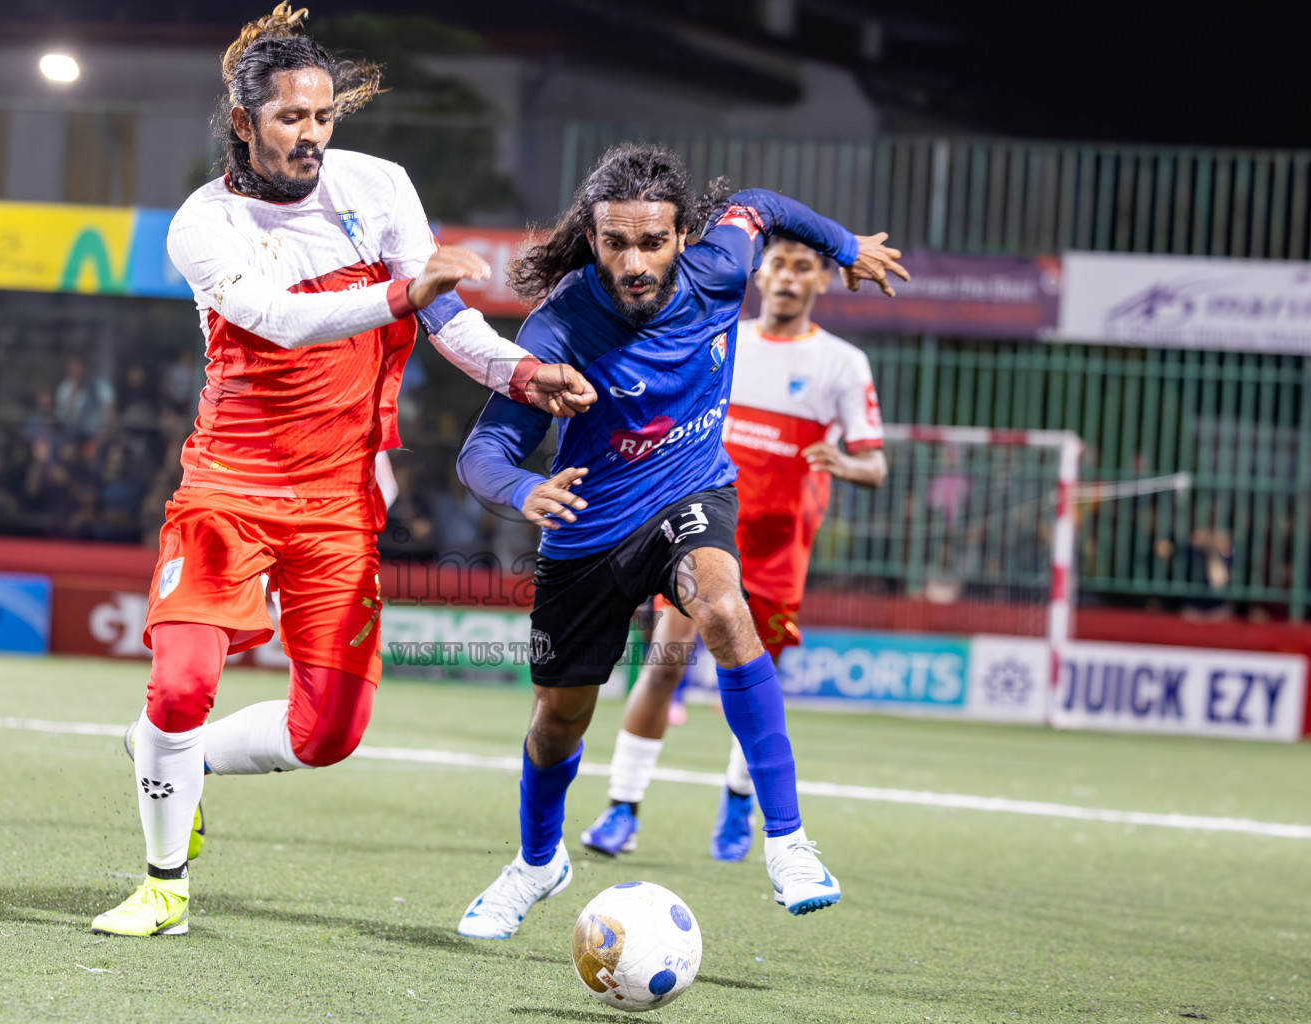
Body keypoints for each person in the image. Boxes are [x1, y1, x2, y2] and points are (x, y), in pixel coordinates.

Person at [90, 4, 595, 939]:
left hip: (339, 500)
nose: (312, 137)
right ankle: (163, 884)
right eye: (291, 118)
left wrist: (522, 373)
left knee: (327, 736)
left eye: (324, 118)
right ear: (244, 121)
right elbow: (281, 318)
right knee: (180, 685)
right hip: (229, 488)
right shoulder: (204, 223)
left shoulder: (380, 185)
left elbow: (447, 323)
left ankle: (170, 761)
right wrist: (406, 290)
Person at [453, 143, 906, 939]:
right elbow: (482, 453)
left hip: (691, 493)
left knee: (725, 610)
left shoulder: (719, 271)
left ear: (683, 236)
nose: (634, 261)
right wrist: (527, 490)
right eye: (615, 241)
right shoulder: (559, 325)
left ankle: (789, 840)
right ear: (591, 237)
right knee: (559, 719)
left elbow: (762, 202)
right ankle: (536, 864)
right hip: (588, 530)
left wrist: (846, 246)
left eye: (652, 242)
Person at [578, 234, 888, 864]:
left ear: (821, 281)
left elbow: (875, 465)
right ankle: (621, 807)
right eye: (777, 265)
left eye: (805, 268)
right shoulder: (723, 337)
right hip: (703, 533)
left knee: (750, 677)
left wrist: (844, 464)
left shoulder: (841, 363)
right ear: (761, 273)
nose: (788, 278)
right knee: (665, 661)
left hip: (779, 551)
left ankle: (740, 798)